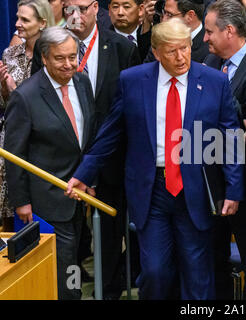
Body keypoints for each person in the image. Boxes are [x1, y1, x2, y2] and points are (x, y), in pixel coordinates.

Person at [65, 18, 244, 300]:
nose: (181, 56)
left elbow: (230, 137)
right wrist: (84, 173)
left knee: (197, 274)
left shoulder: (214, 82)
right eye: (172, 51)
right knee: (155, 272)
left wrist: (234, 189)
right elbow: (110, 133)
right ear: (157, 52)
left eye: (185, 48)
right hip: (152, 190)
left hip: (195, 189)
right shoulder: (134, 81)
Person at [31, 0, 141, 299]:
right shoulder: (48, 45)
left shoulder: (120, 47)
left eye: (81, 7)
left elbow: (128, 108)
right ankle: (72, 289)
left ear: (96, 8)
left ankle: (108, 290)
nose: (74, 14)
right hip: (61, 164)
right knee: (70, 243)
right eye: (68, 7)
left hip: (109, 160)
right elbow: (38, 102)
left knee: (108, 233)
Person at [5, 27, 97, 300]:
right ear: (44, 58)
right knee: (64, 270)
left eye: (72, 57)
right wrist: (21, 201)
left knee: (73, 265)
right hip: (46, 202)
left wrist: (89, 177)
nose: (69, 64)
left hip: (79, 197)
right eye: (60, 58)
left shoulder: (82, 83)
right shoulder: (25, 96)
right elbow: (14, 156)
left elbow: (87, 137)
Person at [203, 0, 246, 299]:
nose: (205, 39)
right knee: (213, 255)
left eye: (209, 31)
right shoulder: (210, 62)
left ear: (229, 31)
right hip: (210, 177)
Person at [0, 0, 55, 232]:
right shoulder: (10, 53)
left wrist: (15, 92)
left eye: (25, 20)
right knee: (7, 209)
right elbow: (5, 103)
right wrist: (4, 88)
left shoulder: (54, 56)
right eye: (17, 18)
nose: (17, 24)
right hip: (11, 136)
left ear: (42, 23)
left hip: (41, 141)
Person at [144, 0, 209, 63]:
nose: (164, 20)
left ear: (190, 16)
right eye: (164, 12)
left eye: (169, 15)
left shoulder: (209, 49)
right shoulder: (161, 40)